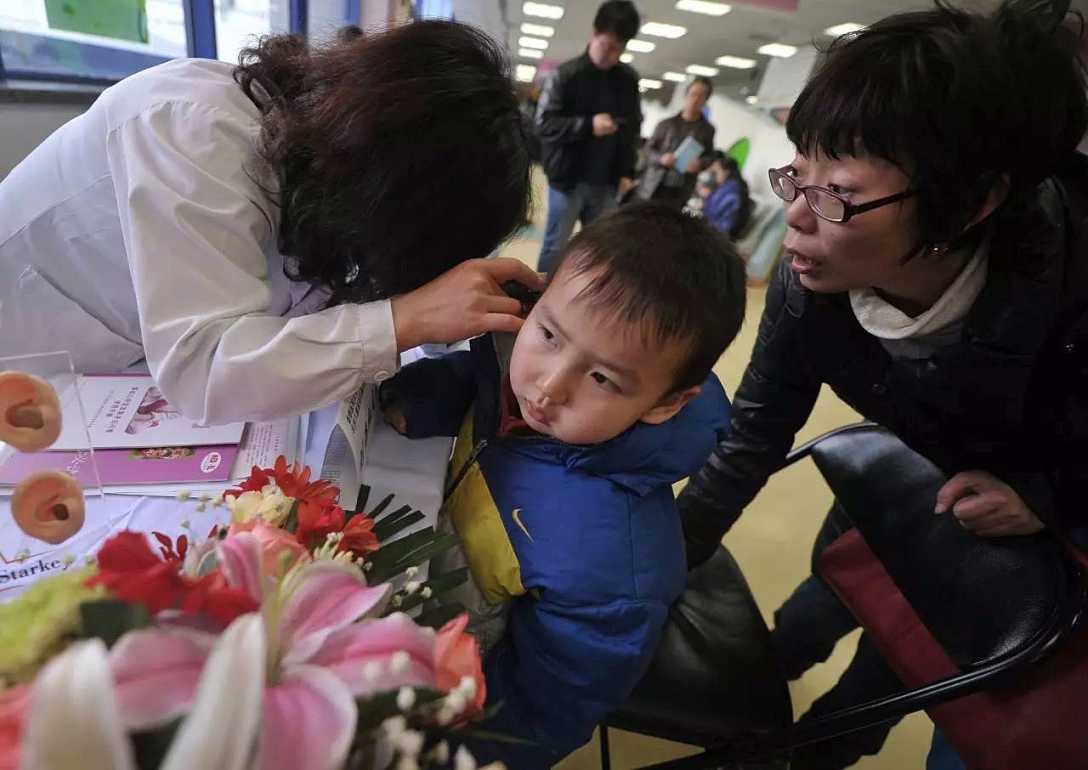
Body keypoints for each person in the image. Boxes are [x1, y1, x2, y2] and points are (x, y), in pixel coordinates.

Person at [675, 1, 1088, 768]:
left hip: (1034, 568)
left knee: (916, 700)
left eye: (836, 193)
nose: (794, 218)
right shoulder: (816, 279)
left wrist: (1045, 492)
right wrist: (657, 569)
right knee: (813, 612)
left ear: (972, 202)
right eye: (796, 173)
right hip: (898, 504)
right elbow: (753, 435)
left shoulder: (1071, 279)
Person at [0, 21, 540, 425]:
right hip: (27, 345)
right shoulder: (192, 130)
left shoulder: (318, 165)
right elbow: (206, 368)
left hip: (110, 375)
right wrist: (401, 320)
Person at [381, 202, 748, 767]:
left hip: (458, 658)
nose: (549, 387)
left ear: (669, 403)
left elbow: (543, 707)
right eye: (548, 333)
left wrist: (449, 750)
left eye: (601, 378)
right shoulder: (513, 362)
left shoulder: (613, 571)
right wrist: (430, 395)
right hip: (423, 553)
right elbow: (481, 381)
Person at [535, 0, 642, 274]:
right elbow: (544, 125)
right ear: (594, 33)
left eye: (618, 49)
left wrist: (628, 171)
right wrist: (587, 126)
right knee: (555, 249)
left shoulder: (628, 81)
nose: (611, 55)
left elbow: (632, 129)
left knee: (597, 253)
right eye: (607, 46)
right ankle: (536, 304)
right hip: (567, 181)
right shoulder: (565, 75)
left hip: (606, 183)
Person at [637, 77, 716, 208]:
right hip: (654, 185)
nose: (695, 100)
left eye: (701, 96)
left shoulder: (707, 130)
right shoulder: (666, 124)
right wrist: (661, 158)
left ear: (705, 101)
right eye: (693, 94)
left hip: (681, 189)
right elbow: (648, 150)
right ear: (686, 96)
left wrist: (700, 163)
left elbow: (710, 156)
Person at [701, 151, 753, 239]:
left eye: (715, 173)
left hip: (721, 236)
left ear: (726, 172)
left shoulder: (732, 190)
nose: (713, 177)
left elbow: (723, 222)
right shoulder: (729, 186)